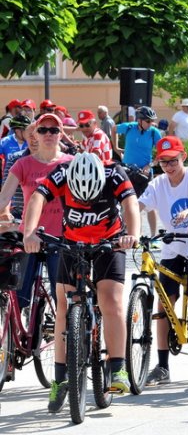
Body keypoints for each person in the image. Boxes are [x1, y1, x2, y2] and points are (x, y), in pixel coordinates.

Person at [23, 152, 140, 411]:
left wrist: (133, 235)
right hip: (72, 242)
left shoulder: (114, 174)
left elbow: (131, 204)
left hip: (110, 241)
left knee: (110, 300)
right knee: (64, 304)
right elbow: (37, 197)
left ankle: (118, 367)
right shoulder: (61, 172)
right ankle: (59, 378)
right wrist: (30, 233)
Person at [139, 136, 188, 387]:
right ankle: (162, 366)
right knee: (164, 304)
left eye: (173, 161)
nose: (169, 167)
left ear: (183, 157)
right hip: (172, 247)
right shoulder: (158, 183)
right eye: (163, 162)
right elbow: (139, 205)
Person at [0, 114, 71, 312]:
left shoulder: (72, 163)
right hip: (28, 236)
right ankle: (21, 338)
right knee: (19, 296)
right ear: (35, 135)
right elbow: (4, 197)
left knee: (63, 298)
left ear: (61, 134)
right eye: (43, 130)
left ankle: (64, 337)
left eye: (54, 130)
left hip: (60, 237)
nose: (48, 134)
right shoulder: (23, 164)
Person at [116, 106, 162, 236]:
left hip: (144, 173)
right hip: (128, 171)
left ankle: (154, 236)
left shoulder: (154, 132)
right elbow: (114, 128)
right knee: (130, 203)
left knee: (150, 205)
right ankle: (136, 234)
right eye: (148, 121)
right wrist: (116, 148)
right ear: (139, 120)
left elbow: (162, 153)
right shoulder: (129, 127)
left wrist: (150, 165)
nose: (151, 124)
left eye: (152, 121)